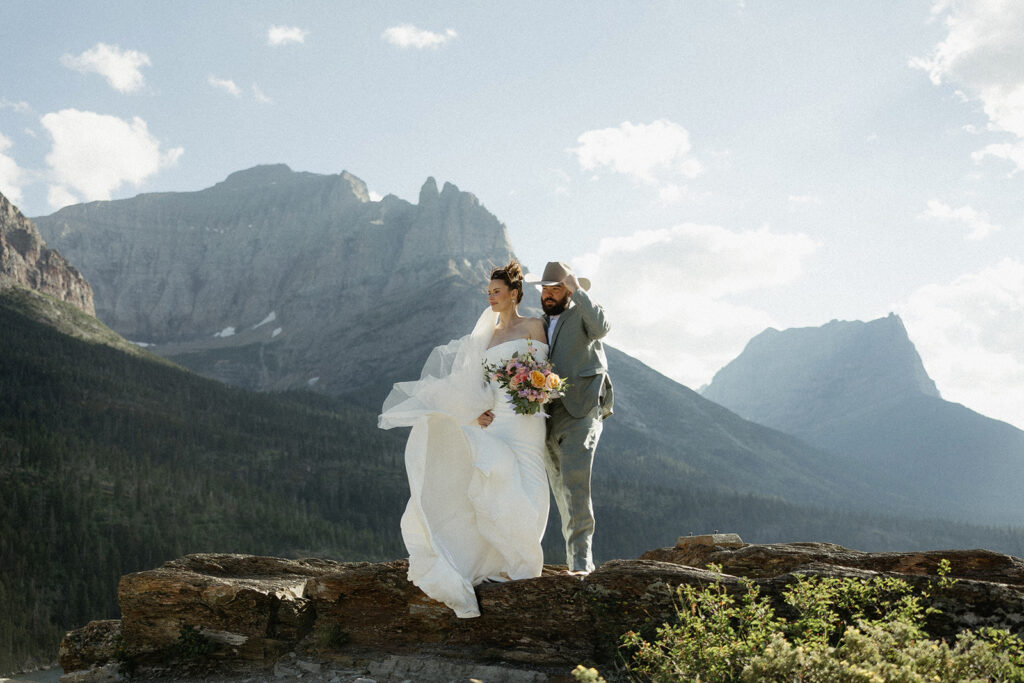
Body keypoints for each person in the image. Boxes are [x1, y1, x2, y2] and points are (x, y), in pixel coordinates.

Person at [378, 260, 550, 618]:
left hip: (529, 419)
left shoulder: (534, 325)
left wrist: (538, 389)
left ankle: (522, 555)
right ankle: (499, 558)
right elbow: (470, 386)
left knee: (532, 483)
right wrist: (475, 412)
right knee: (492, 479)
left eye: (497, 292)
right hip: (496, 421)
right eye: (488, 292)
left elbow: (546, 373)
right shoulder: (483, 336)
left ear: (514, 294)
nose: (491, 297)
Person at [534, 261, 612, 575]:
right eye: (546, 289)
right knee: (561, 490)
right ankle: (573, 562)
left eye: (556, 288)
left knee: (576, 484)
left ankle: (582, 564)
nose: (549, 294)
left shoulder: (582, 312)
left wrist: (577, 289)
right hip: (546, 415)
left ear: (568, 290)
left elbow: (603, 328)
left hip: (582, 410)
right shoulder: (537, 323)